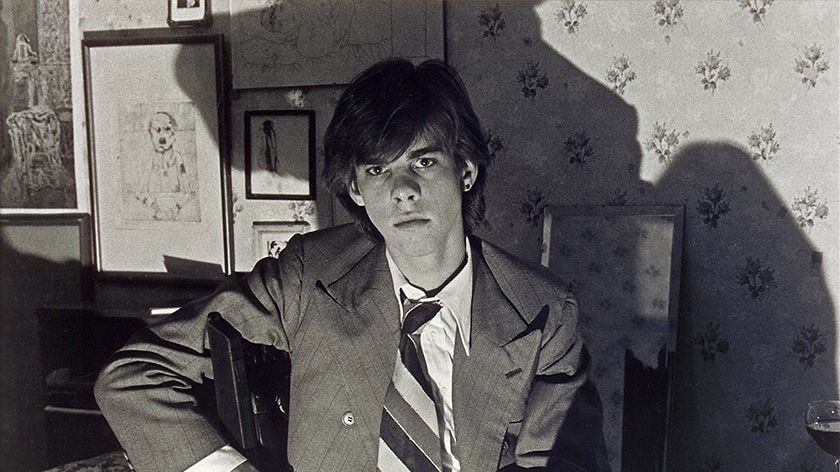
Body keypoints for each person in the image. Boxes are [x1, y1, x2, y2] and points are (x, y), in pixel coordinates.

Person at [94, 58, 609, 472]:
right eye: (379, 170)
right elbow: (134, 377)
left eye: (424, 162)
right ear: (357, 190)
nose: (403, 192)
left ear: (466, 171)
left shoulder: (543, 313)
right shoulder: (306, 275)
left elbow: (561, 460)